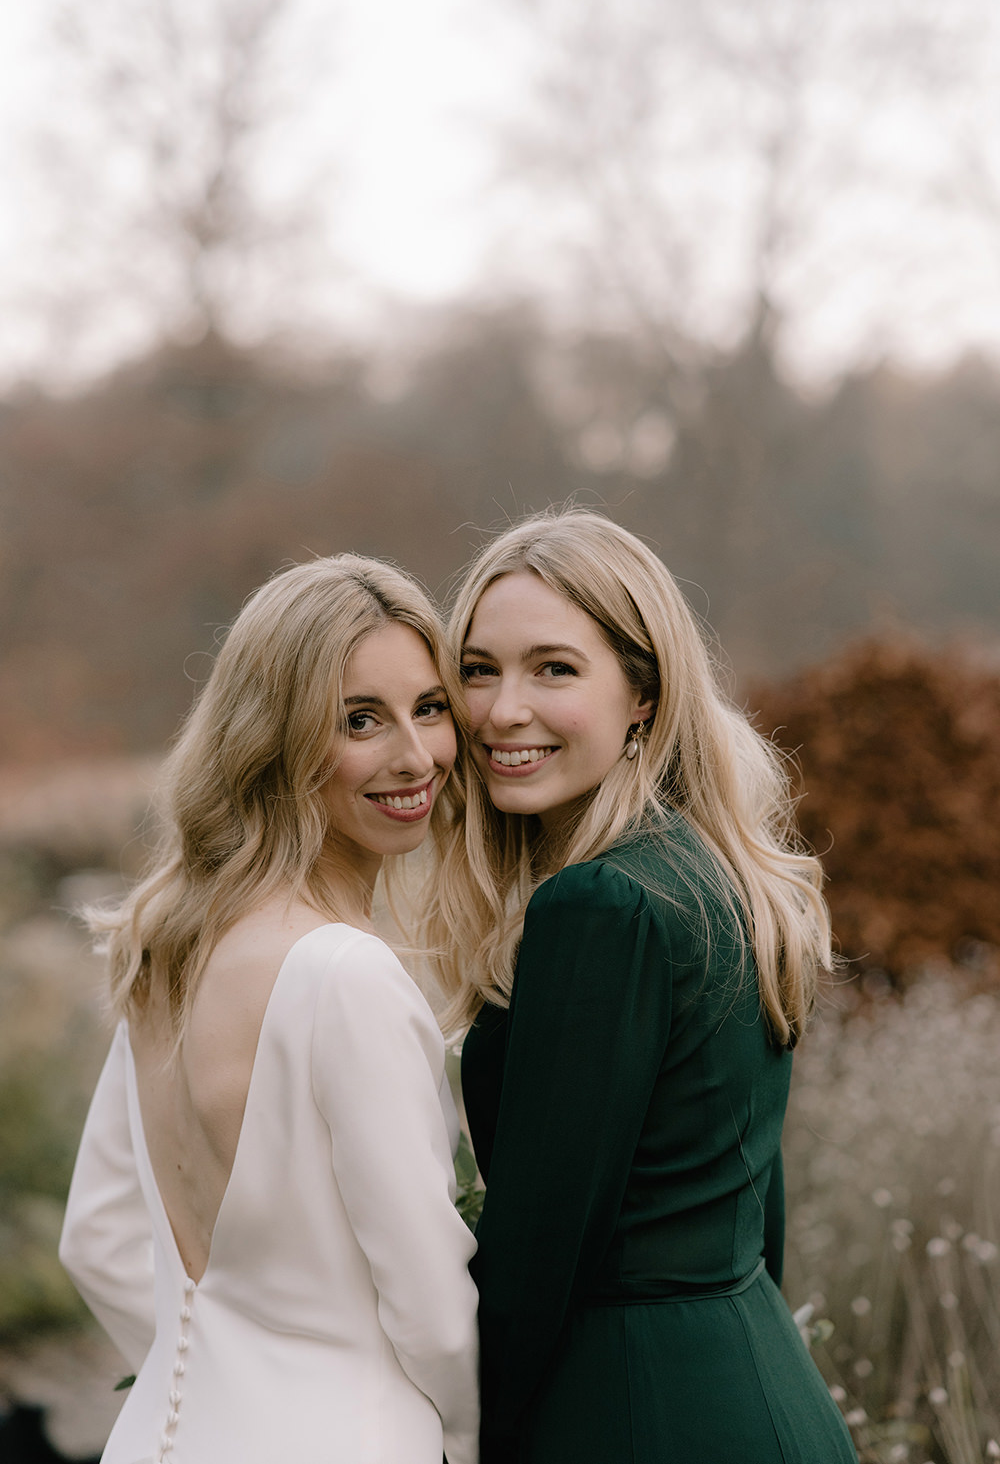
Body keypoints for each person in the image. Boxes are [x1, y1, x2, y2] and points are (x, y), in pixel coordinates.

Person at [426, 510, 857, 1463]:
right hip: (753, 1384)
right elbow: (758, 1211)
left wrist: (467, 1438)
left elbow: (539, 1253)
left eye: (554, 669)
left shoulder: (601, 905)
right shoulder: (717, 877)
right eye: (479, 670)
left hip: (632, 1410)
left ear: (645, 697)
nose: (501, 710)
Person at [59, 555, 479, 1464]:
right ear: (275, 739)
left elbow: (95, 1240)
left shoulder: (168, 949)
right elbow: (435, 1315)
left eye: (430, 707)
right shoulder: (346, 976)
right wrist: (474, 1437)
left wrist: (220, 1378)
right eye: (359, 720)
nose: (416, 757)